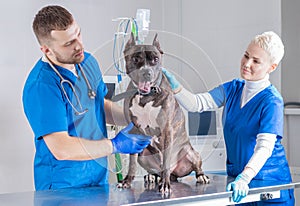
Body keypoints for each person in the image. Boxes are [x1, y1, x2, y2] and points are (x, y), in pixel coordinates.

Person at [22, 5, 151, 191]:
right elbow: (61, 148)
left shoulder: (88, 62)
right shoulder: (42, 86)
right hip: (62, 188)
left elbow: (98, 104)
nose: (79, 45)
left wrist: (133, 117)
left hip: (98, 181)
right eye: (68, 43)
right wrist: (115, 145)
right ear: (46, 50)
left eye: (79, 35)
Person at [163, 31, 295, 205]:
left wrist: (245, 177)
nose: (247, 64)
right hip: (240, 185)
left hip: (268, 184)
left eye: (256, 61)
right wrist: (175, 86)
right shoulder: (233, 88)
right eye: (246, 56)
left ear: (272, 67)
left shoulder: (272, 101)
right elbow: (196, 104)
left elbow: (265, 147)